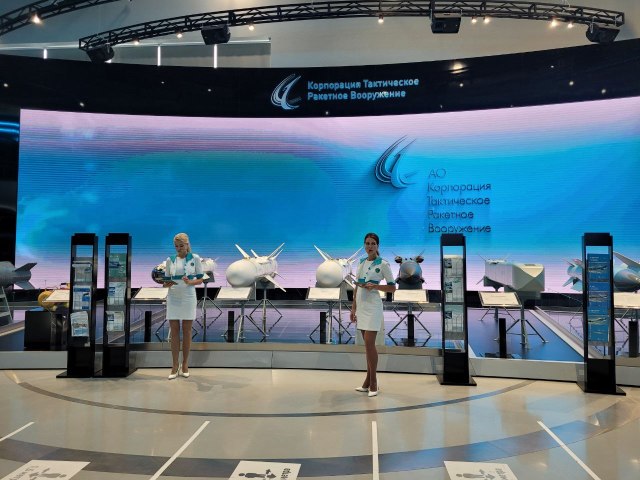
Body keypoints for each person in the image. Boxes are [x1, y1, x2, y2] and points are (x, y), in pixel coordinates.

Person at [350, 232, 396, 397]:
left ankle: (374, 382)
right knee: (367, 346)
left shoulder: (383, 264)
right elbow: (357, 287)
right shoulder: (361, 262)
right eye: (367, 243)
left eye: (373, 244)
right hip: (361, 306)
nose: (370, 246)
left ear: (377, 246)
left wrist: (375, 286)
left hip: (373, 306)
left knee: (370, 344)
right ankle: (367, 382)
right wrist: (353, 308)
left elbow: (392, 287)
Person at [162, 233, 204, 379]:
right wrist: (165, 284)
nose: (179, 248)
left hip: (188, 296)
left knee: (187, 331)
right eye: (176, 246)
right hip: (173, 296)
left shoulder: (195, 258)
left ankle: (185, 364)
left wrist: (190, 282)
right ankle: (174, 365)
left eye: (181, 245)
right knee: (174, 331)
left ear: (187, 245)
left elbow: (200, 279)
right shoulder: (170, 260)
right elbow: (166, 281)